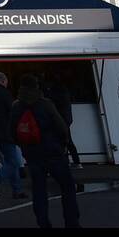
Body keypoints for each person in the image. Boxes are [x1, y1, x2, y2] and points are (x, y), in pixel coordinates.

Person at [10, 75, 80, 229]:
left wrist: (24, 147)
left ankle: (43, 223)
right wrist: (63, 144)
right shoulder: (45, 104)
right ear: (37, 87)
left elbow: (13, 132)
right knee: (67, 187)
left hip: (32, 154)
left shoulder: (16, 106)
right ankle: (71, 222)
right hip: (53, 152)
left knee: (39, 190)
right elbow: (61, 127)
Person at [0, 71, 27, 200]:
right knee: (12, 162)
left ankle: (17, 190)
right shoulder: (5, 94)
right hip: (6, 132)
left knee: (9, 160)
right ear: (3, 81)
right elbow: (12, 111)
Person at [47, 77, 81, 168]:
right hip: (66, 119)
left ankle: (68, 161)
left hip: (61, 120)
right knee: (68, 141)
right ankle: (76, 161)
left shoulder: (55, 95)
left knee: (62, 141)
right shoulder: (65, 93)